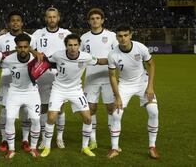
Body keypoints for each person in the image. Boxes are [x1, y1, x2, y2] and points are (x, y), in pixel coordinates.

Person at [40, 33, 108, 158]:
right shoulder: (58, 55)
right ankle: (47, 146)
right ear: (66, 46)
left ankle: (85, 147)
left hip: (76, 90)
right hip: (58, 89)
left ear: (79, 45)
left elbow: (99, 61)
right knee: (51, 117)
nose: (73, 47)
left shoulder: (86, 57)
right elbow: (46, 61)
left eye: (75, 45)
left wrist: (115, 59)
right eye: (70, 45)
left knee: (88, 118)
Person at [107, 25, 160, 159]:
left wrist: (150, 87)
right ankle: (114, 148)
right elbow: (112, 76)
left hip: (142, 83)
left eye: (125, 35)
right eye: (120, 36)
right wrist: (117, 96)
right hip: (124, 85)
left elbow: (151, 64)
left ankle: (152, 147)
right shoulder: (113, 54)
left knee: (154, 111)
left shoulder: (140, 47)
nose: (123, 38)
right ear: (117, 37)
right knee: (116, 114)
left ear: (130, 35)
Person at [32, 7, 71, 149]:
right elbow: (31, 49)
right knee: (43, 107)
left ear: (58, 18)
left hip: (60, 75)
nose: (52, 19)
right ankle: (44, 138)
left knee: (60, 108)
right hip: (42, 74)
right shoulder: (37, 34)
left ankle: (59, 138)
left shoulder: (66, 33)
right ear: (45, 18)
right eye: (49, 17)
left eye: (54, 17)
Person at [80, 8, 118, 150]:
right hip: (91, 78)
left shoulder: (111, 36)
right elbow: (81, 57)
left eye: (98, 18)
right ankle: (93, 140)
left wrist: (103, 61)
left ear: (102, 20)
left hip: (109, 77)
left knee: (110, 108)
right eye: (92, 18)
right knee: (91, 109)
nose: (95, 20)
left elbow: (117, 54)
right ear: (89, 21)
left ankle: (113, 141)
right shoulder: (84, 38)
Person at [0, 11, 33, 152]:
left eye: (18, 20)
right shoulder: (1, 39)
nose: (15, 23)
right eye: (13, 20)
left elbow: (34, 56)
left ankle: (25, 139)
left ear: (22, 23)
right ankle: (4, 139)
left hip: (25, 80)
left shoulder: (30, 38)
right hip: (7, 79)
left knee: (25, 111)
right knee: (5, 111)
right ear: (9, 23)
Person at [1, 33, 41, 159]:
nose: (22, 49)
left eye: (25, 47)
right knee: (10, 119)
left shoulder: (37, 59)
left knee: (35, 119)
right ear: (16, 47)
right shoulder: (8, 59)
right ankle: (11, 149)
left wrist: (36, 53)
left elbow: (48, 63)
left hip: (32, 92)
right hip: (14, 92)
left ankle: (33, 147)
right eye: (20, 47)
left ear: (29, 47)